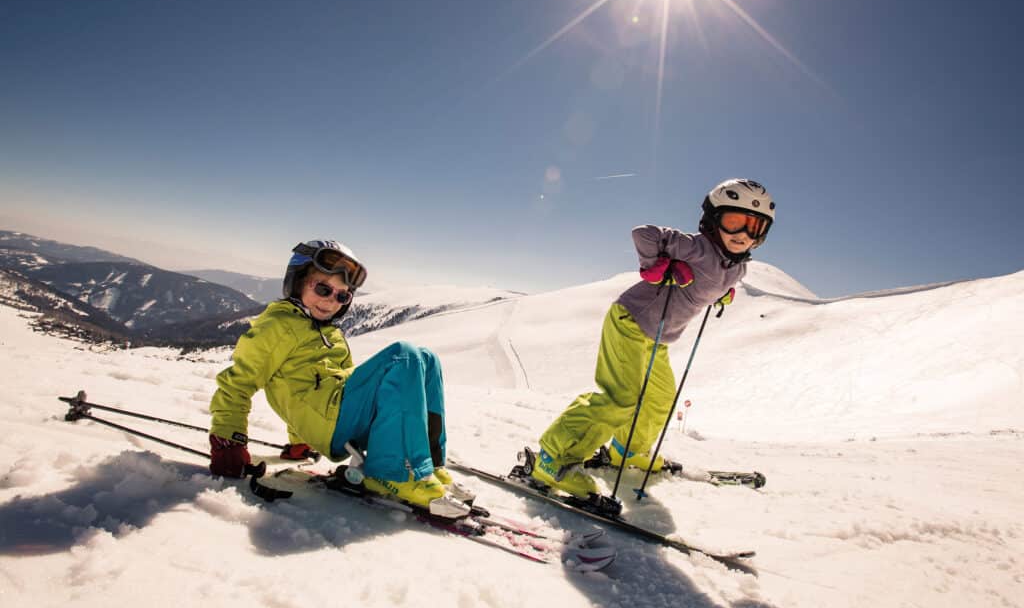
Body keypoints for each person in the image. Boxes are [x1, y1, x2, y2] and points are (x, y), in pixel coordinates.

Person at [531, 179, 776, 498]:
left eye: (754, 227)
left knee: (660, 398)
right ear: (714, 221)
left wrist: (721, 294)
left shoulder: (737, 268)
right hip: (630, 322)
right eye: (734, 222)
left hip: (657, 338)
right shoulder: (696, 247)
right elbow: (643, 234)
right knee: (622, 398)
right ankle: (553, 460)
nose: (742, 234)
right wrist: (655, 268)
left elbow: (718, 280)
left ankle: (627, 452)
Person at [207, 240, 472, 517]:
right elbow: (238, 383)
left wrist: (299, 442)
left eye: (342, 297)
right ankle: (397, 474)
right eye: (323, 288)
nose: (331, 301)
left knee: (426, 358)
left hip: (338, 420)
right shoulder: (278, 326)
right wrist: (228, 440)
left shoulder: (330, 333)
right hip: (330, 424)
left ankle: (428, 464)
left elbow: (306, 387)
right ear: (297, 282)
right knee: (403, 356)